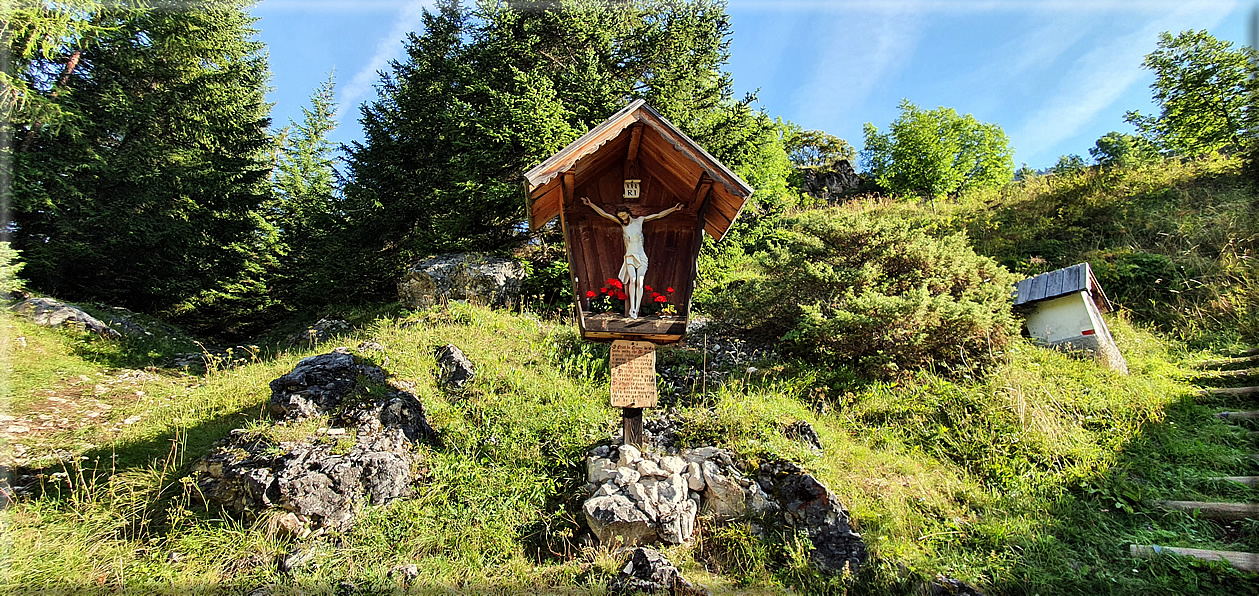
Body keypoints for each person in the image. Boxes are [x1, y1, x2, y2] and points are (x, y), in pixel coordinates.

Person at [581, 196, 683, 319]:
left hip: (641, 256)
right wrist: (590, 204)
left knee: (640, 282)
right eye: (620, 217)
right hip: (629, 256)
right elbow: (605, 214)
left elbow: (658, 215)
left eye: (624, 216)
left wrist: (674, 209)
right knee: (632, 281)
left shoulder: (639, 220)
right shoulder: (622, 225)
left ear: (628, 214)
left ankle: (636, 308)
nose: (623, 218)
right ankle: (631, 309)